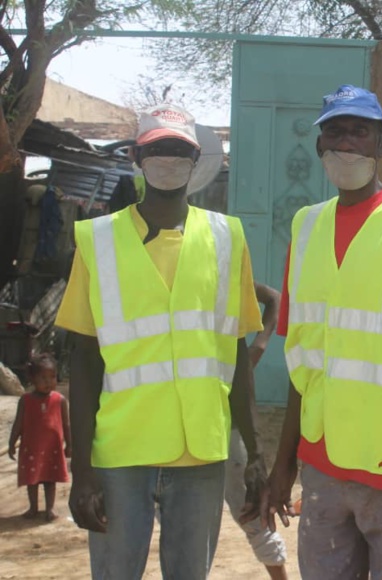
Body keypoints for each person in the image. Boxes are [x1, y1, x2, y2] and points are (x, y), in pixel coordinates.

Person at [55, 102, 267, 579]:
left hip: (201, 451)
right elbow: (84, 363)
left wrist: (254, 453)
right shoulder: (97, 241)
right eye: (158, 150)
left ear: (196, 162)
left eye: (178, 150)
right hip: (120, 450)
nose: (168, 160)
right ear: (136, 157)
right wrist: (82, 467)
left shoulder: (227, 237)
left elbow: (234, 352)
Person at [266, 85, 382, 579]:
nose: (346, 143)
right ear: (320, 146)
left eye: (359, 131)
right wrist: (284, 461)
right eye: (335, 131)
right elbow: (302, 360)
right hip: (323, 465)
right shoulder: (305, 227)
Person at [224, 281, 289, 580]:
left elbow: (273, 298)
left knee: (250, 510)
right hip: (178, 422)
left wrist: (259, 344)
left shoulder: (218, 266)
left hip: (227, 420)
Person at [7, 353, 70, 522]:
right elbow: (18, 423)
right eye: (43, 378)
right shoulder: (26, 400)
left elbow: (66, 425)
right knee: (32, 480)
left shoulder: (60, 400)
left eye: (52, 377)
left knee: (50, 479)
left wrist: (69, 445)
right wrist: (12, 442)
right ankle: (33, 507)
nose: (48, 382)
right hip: (31, 448)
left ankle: (50, 509)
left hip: (52, 449)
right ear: (33, 379)